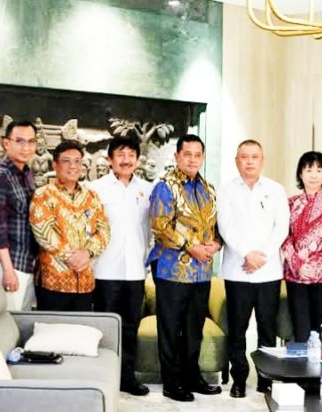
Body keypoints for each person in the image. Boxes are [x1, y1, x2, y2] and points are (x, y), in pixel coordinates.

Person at [147, 134, 222, 402]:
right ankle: (171, 382)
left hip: (202, 271)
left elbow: (216, 225)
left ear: (203, 158)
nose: (192, 159)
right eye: (187, 154)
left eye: (197, 155)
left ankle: (192, 376)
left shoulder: (208, 188)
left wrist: (217, 243)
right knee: (170, 327)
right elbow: (160, 225)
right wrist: (192, 246)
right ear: (177, 156)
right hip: (171, 270)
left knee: (194, 327)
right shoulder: (165, 187)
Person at [217, 139, 289, 398]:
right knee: (237, 329)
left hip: (268, 272)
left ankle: (265, 379)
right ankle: (238, 379)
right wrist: (247, 254)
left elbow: (281, 227)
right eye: (244, 157)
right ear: (236, 161)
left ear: (262, 160)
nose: (249, 161)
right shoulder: (226, 190)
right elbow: (225, 226)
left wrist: (262, 255)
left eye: (254, 157)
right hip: (237, 271)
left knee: (267, 329)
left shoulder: (276, 190)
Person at [89, 136, 152, 396]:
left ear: (138, 159)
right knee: (105, 328)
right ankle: (103, 378)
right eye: (120, 155)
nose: (126, 160)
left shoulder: (147, 190)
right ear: (110, 160)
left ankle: (127, 378)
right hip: (105, 270)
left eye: (131, 155)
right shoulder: (95, 189)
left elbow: (153, 228)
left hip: (135, 271)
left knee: (130, 327)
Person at [29, 140, 110, 311]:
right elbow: (42, 231)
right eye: (66, 161)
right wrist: (71, 257)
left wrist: (87, 253)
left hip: (85, 281)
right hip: (53, 282)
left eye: (77, 161)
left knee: (81, 327)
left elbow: (104, 230)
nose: (73, 166)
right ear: (55, 165)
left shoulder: (92, 196)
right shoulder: (43, 194)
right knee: (51, 327)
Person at [282, 151, 322, 343]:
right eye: (308, 170)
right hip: (296, 276)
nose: (313, 175)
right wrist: (298, 265)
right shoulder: (290, 204)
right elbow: (284, 237)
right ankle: (302, 363)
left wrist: (311, 265)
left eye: (319, 170)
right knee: (301, 331)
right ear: (300, 174)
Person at [0, 120, 38, 310]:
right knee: (7, 321)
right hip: (8, 265)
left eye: (31, 141)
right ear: (6, 143)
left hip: (27, 263)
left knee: (22, 322)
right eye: (19, 141)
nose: (26, 147)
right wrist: (7, 269)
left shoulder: (27, 175)